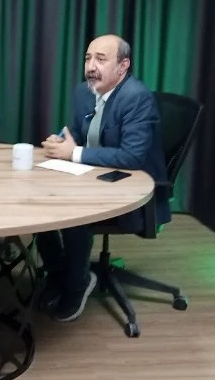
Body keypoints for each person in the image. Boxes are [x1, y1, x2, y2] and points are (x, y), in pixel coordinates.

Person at [39, 34, 170, 322]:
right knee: (38, 202)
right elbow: (77, 134)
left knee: (73, 215)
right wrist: (60, 141)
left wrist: (74, 153)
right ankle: (58, 273)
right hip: (94, 178)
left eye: (100, 59)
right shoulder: (83, 91)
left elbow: (132, 157)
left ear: (123, 66)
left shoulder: (136, 98)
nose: (91, 66)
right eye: (88, 58)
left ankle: (78, 283)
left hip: (133, 191)